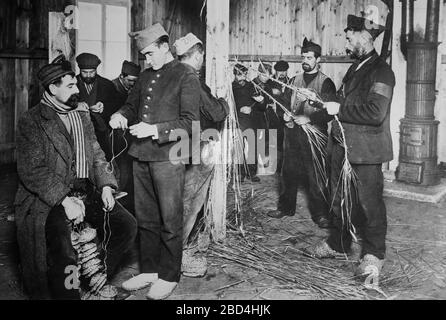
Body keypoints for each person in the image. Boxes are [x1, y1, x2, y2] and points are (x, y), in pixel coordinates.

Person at [14, 57, 137, 300]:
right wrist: (65, 200)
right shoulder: (32, 121)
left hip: (85, 190)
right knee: (64, 250)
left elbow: (97, 153)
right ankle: (71, 294)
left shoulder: (81, 114)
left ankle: (95, 277)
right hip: (50, 197)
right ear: (52, 88)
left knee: (126, 226)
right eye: (71, 86)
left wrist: (105, 186)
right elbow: (33, 170)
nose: (78, 89)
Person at [109, 23, 201, 300]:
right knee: (146, 218)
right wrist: (121, 115)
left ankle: (169, 275)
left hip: (168, 157)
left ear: (164, 47)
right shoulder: (146, 76)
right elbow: (131, 105)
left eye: (150, 54)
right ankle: (149, 270)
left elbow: (190, 123)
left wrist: (155, 130)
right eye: (144, 56)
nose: (146, 60)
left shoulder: (186, 75)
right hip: (140, 155)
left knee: (170, 219)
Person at [308, 14, 395, 281]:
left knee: (369, 204)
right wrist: (320, 101)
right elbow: (341, 99)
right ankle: (340, 242)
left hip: (366, 151)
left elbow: (375, 112)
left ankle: (374, 253)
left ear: (364, 37)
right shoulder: (355, 68)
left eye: (349, 37)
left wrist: (340, 108)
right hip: (343, 146)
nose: (346, 41)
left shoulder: (382, 71)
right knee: (338, 199)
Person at [174, 33, 229, 278]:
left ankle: (176, 247)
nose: (202, 60)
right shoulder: (192, 79)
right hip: (198, 145)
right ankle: (179, 253)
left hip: (176, 146)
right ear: (197, 55)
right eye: (202, 56)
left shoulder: (169, 76)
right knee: (191, 198)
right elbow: (216, 112)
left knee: (178, 197)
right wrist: (225, 103)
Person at [269, 38, 336, 230]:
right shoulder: (293, 80)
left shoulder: (326, 83)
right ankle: (285, 208)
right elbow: (282, 101)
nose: (305, 60)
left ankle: (321, 214)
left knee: (316, 176)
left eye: (309, 57)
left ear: (318, 59)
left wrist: (309, 119)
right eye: (303, 57)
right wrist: (285, 116)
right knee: (287, 173)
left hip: (313, 136)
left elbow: (329, 112)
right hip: (292, 134)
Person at [76, 53, 119, 161]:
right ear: (79, 70)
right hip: (78, 131)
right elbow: (62, 103)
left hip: (102, 134)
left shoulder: (107, 84)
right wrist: (76, 106)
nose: (88, 75)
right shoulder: (71, 84)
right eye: (84, 72)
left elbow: (117, 104)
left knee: (102, 162)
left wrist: (104, 106)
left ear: (96, 70)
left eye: (92, 72)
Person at [111, 60, 142, 213]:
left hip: (130, 140)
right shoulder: (111, 88)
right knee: (120, 174)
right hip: (115, 141)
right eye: (130, 81)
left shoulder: (134, 90)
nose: (132, 84)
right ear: (121, 76)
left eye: (135, 82)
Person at [232, 63, 265, 182]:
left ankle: (251, 173)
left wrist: (252, 108)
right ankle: (240, 174)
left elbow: (259, 104)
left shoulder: (251, 86)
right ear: (234, 74)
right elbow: (228, 105)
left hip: (251, 122)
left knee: (253, 148)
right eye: (240, 75)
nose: (243, 77)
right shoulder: (230, 88)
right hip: (237, 122)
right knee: (238, 148)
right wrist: (238, 110)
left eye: (245, 74)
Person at [254, 63, 284, 173]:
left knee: (272, 139)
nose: (267, 78)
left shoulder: (268, 85)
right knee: (259, 142)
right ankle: (260, 169)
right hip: (257, 117)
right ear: (258, 73)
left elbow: (271, 99)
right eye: (264, 75)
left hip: (269, 116)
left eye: (269, 75)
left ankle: (270, 167)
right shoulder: (253, 84)